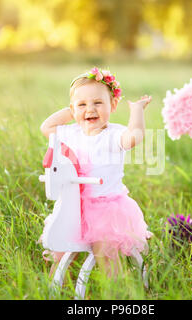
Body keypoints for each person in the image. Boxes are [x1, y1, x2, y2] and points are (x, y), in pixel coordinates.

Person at [40, 67, 152, 278]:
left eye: (98, 103)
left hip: (106, 209)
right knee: (62, 253)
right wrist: (73, 110)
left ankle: (117, 291)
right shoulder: (72, 132)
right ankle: (60, 290)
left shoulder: (113, 134)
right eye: (82, 105)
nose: (90, 109)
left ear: (113, 105)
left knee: (105, 253)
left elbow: (134, 136)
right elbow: (46, 127)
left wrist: (137, 111)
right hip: (75, 206)